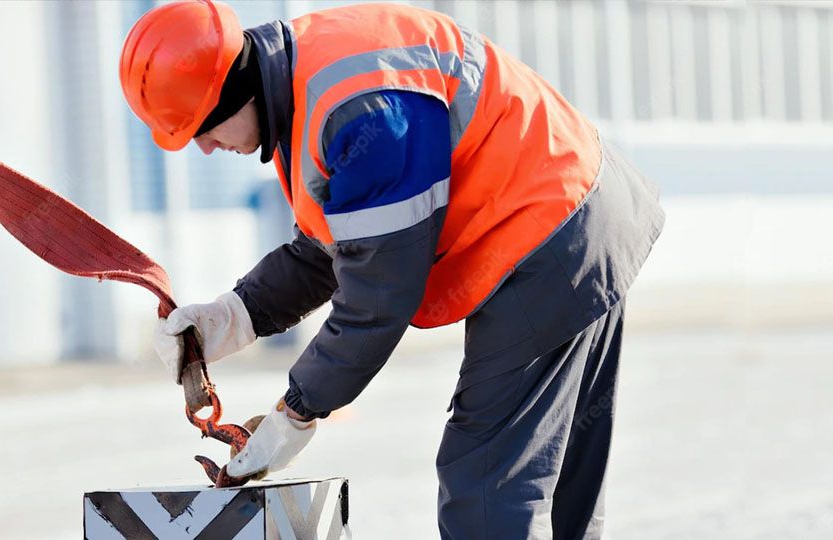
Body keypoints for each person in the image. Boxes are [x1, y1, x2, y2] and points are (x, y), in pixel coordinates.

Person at [121, 1, 665, 538]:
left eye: (203, 129)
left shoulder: (360, 111)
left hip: (547, 235)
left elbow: (379, 296)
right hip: (580, 210)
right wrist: (232, 317)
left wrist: (297, 410)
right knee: (562, 482)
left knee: (485, 485)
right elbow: (337, 247)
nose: (206, 148)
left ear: (233, 91)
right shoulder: (302, 81)